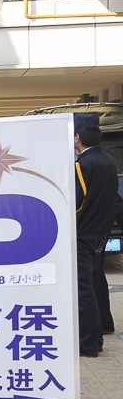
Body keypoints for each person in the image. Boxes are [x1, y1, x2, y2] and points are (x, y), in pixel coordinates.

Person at [73, 114, 118, 357]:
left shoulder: (83, 164)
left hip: (82, 234)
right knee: (94, 282)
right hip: (100, 233)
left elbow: (75, 201)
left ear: (77, 138)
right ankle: (100, 332)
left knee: (83, 289)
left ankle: (88, 344)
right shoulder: (107, 160)